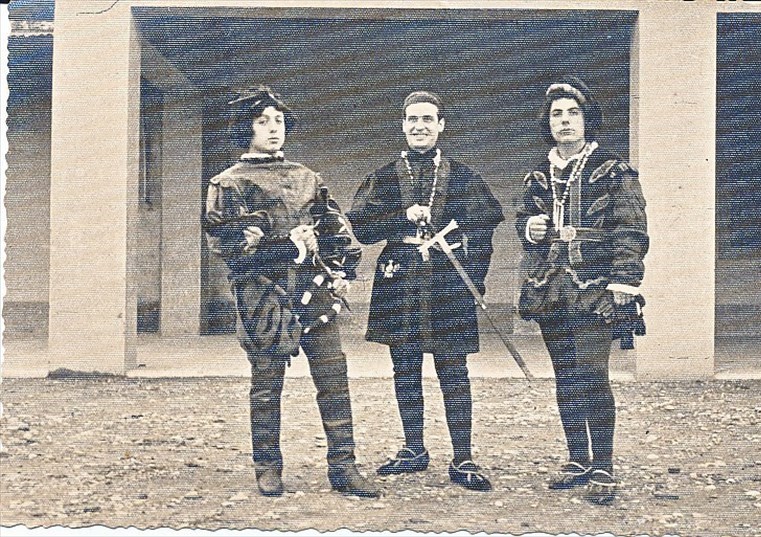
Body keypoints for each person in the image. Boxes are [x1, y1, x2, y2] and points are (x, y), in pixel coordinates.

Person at [204, 86, 379, 498]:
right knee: (266, 385)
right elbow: (230, 249)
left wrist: (341, 270)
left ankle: (344, 466)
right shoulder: (228, 185)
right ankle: (267, 466)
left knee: (334, 379)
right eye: (263, 121)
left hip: (314, 294)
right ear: (245, 128)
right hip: (264, 296)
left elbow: (336, 229)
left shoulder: (307, 178)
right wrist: (288, 243)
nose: (273, 129)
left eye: (279, 120)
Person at [346, 91, 504, 491]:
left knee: (454, 370)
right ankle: (414, 448)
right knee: (405, 367)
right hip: (401, 283)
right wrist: (402, 216)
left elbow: (484, 227)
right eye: (413, 119)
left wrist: (473, 275)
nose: (420, 126)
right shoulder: (382, 176)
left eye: (428, 119)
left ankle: (464, 457)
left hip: (448, 283)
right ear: (403, 125)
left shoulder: (463, 176)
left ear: (441, 125)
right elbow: (362, 228)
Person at [515, 77, 649, 505]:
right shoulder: (538, 175)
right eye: (557, 114)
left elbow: (631, 228)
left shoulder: (613, 170)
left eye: (573, 112)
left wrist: (625, 280)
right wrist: (529, 228)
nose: (565, 120)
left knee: (592, 375)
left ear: (587, 119)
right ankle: (576, 459)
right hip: (550, 287)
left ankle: (604, 466)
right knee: (567, 377)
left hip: (595, 289)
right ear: (547, 123)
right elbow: (525, 220)